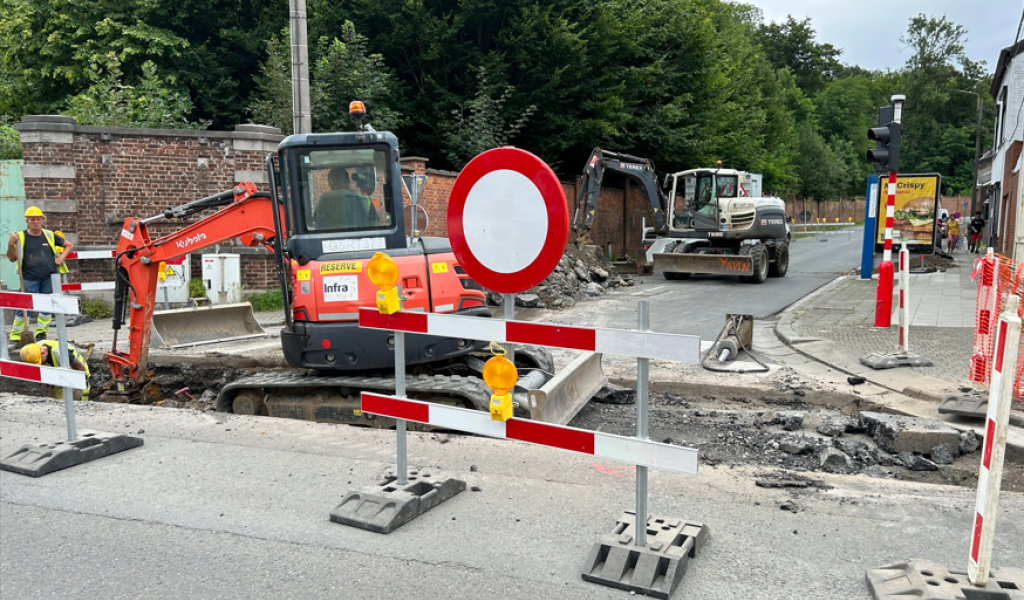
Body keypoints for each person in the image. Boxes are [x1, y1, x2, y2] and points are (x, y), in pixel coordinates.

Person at [5, 206, 73, 350]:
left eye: (38, 219)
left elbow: (69, 245)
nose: (35, 222)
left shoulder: (49, 235)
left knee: (46, 307)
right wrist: (10, 243)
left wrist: (61, 257)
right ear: (27, 221)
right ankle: (16, 338)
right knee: (23, 308)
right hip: (29, 278)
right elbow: (12, 258)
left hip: (49, 277)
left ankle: (42, 334)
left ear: (42, 220)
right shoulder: (20, 237)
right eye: (32, 219)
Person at [20, 341, 91, 401]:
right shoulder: (34, 349)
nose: (40, 364)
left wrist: (79, 387)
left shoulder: (60, 352)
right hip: (58, 374)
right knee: (56, 402)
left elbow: (81, 368)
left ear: (43, 353)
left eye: (39, 362)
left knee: (79, 401)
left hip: (78, 373)